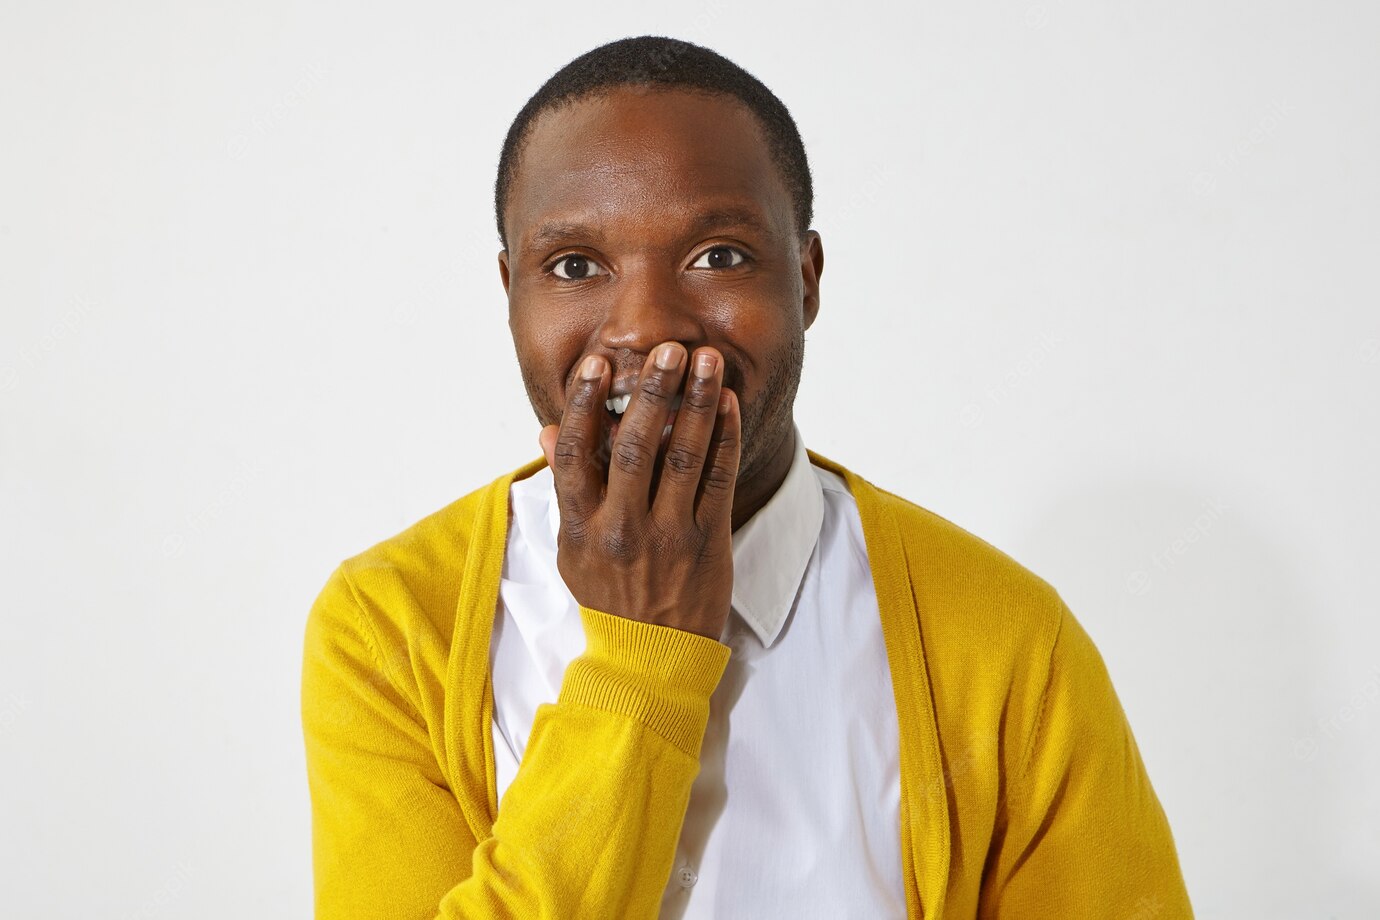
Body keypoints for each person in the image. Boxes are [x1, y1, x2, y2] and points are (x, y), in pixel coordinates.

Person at [300, 35, 1194, 919]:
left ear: (806, 280)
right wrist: (642, 659)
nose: (647, 328)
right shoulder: (390, 625)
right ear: (511, 293)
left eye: (718, 256)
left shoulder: (1005, 638)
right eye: (575, 267)